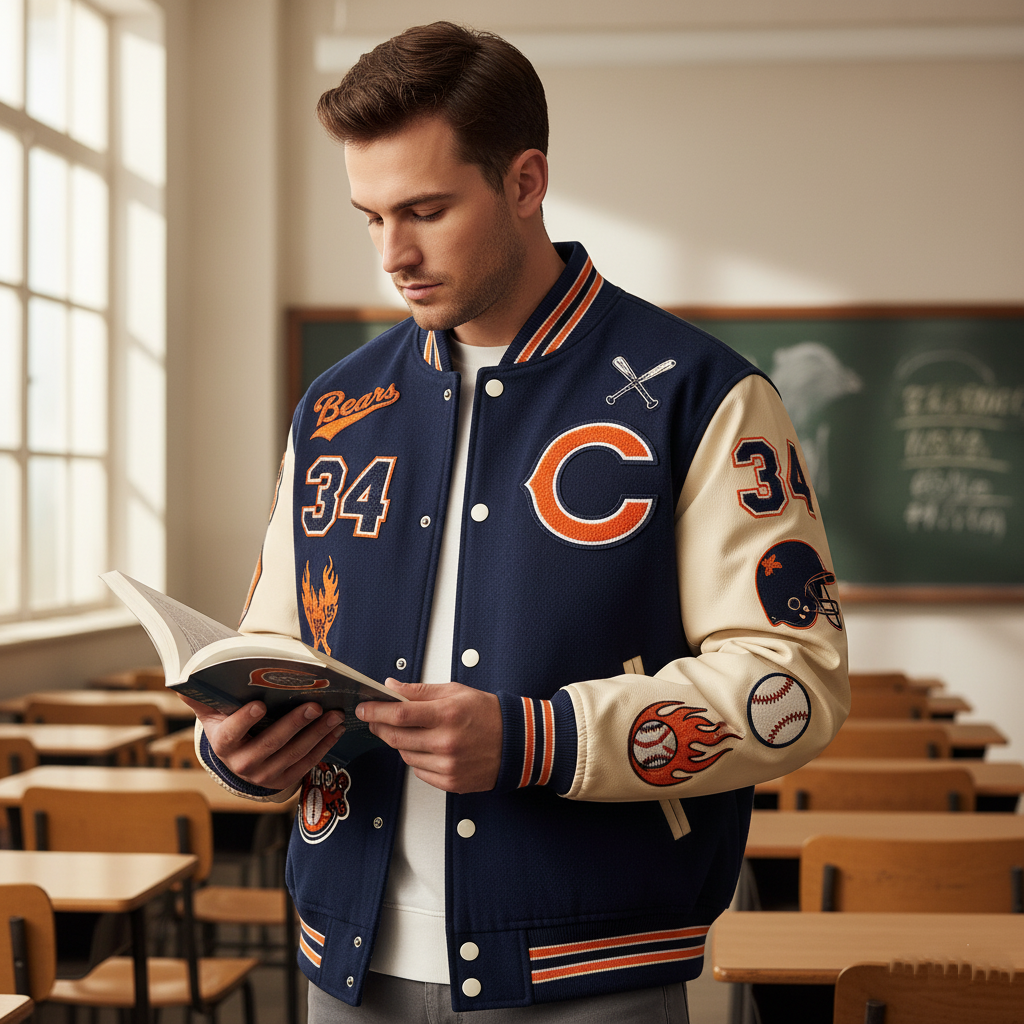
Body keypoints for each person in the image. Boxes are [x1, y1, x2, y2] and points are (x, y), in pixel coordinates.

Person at [186, 21, 849, 1023]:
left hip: (592, 966)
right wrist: (238, 742)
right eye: (369, 217)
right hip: (344, 961)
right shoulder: (332, 410)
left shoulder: (701, 393)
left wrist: (538, 738)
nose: (392, 256)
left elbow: (790, 681)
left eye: (424, 210)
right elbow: (275, 637)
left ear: (525, 181)